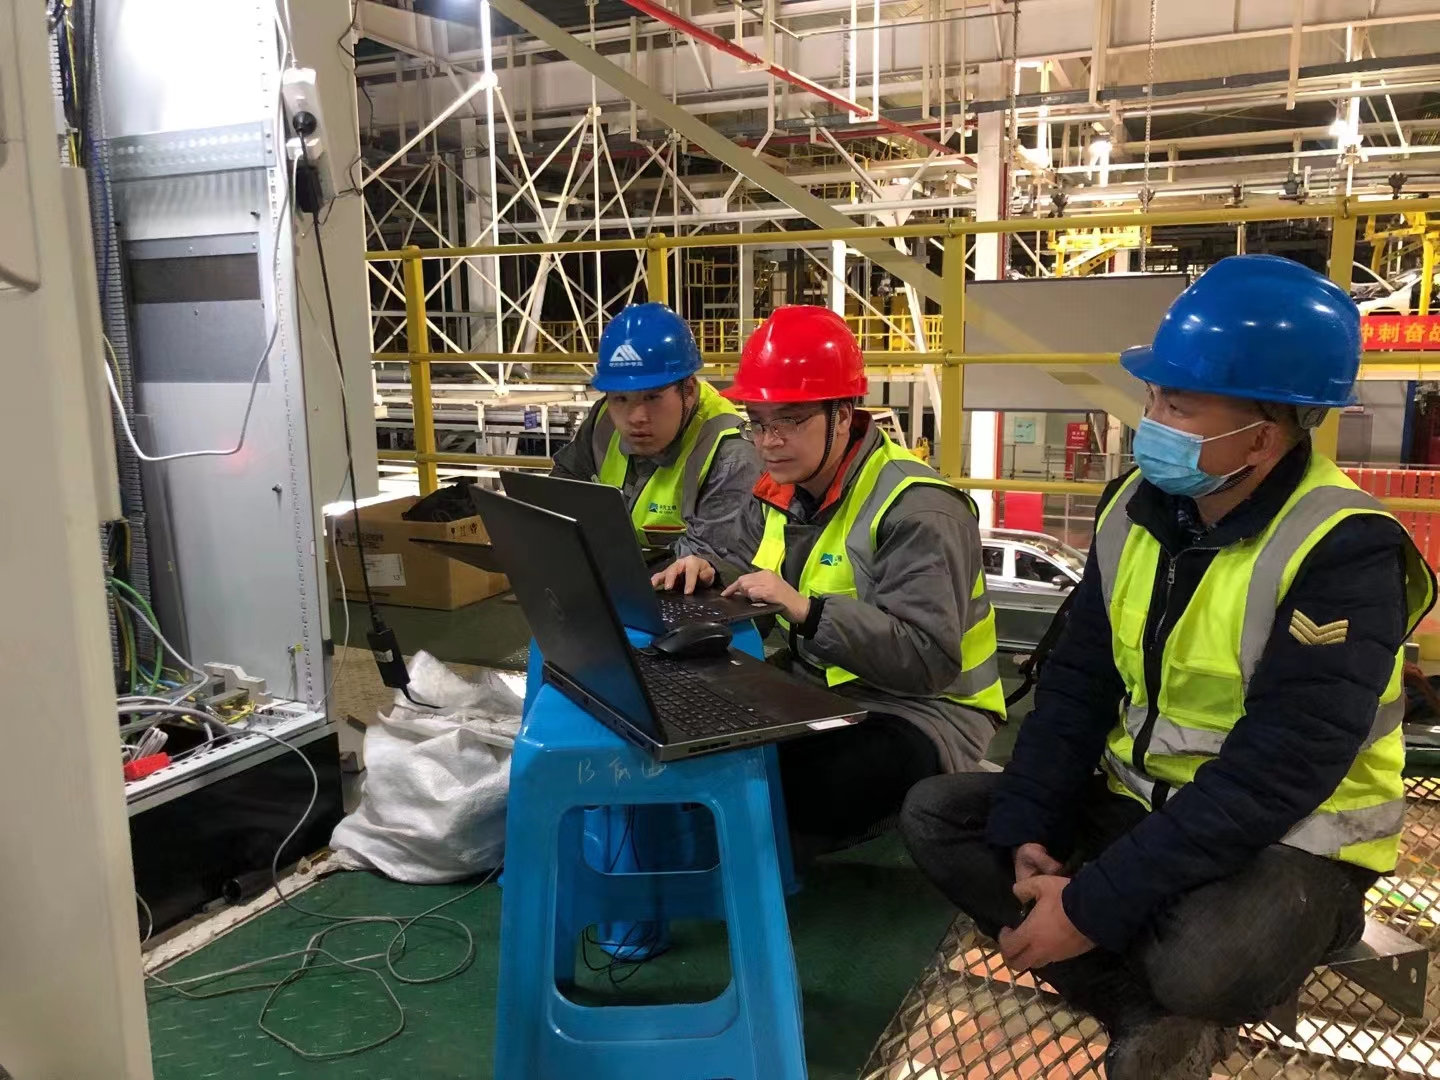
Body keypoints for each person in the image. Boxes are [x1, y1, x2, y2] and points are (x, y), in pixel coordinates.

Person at [900, 255, 1436, 1080]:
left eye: (1177, 404)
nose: (1149, 418)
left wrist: (1091, 906)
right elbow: (1079, 682)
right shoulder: (1131, 509)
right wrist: (1033, 826)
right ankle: (1143, 1015)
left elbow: (1276, 774)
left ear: (1265, 434)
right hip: (1139, 801)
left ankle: (1170, 981)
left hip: (1289, 844)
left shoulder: (1343, 551)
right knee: (941, 817)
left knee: (1210, 963)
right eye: (1154, 395)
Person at [655, 305, 1005, 850]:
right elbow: (751, 567)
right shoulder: (781, 486)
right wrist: (711, 571)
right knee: (693, 728)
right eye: (758, 422)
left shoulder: (918, 510)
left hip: (925, 709)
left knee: (810, 786)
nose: (768, 441)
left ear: (843, 415)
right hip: (815, 684)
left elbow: (927, 662)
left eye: (789, 421)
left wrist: (807, 611)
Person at [551, 302, 758, 562]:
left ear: (689, 390)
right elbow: (559, 492)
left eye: (652, 397)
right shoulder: (602, 420)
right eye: (620, 398)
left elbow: (708, 563)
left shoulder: (730, 454)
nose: (636, 417)